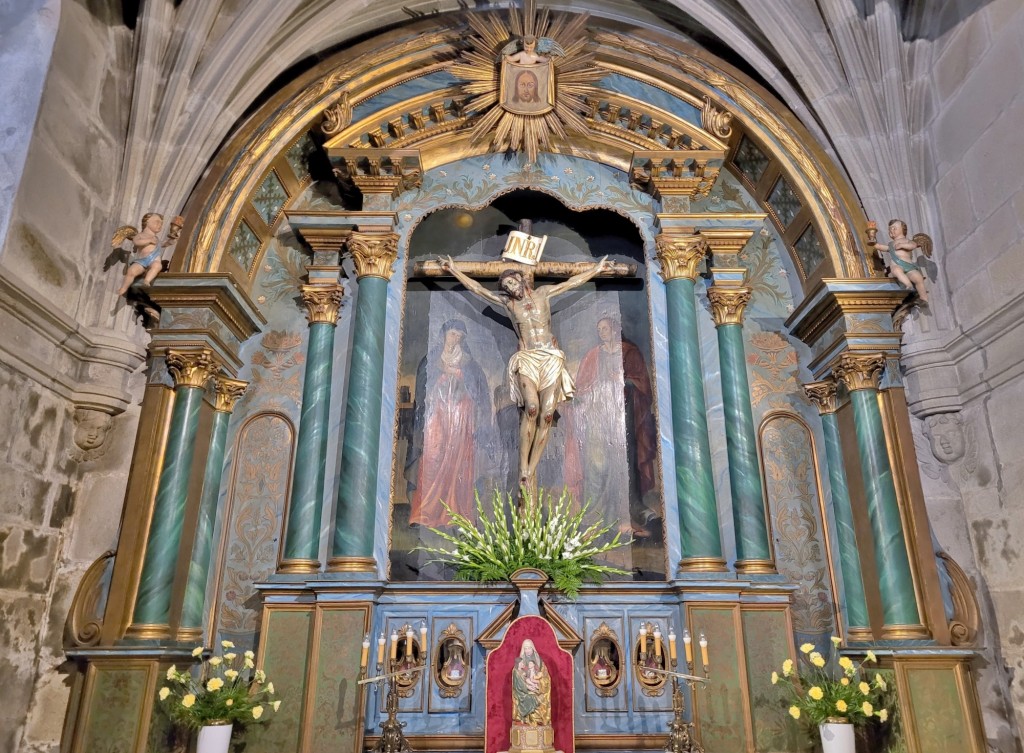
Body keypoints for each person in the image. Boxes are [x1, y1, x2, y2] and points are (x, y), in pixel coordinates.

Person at [439, 255, 614, 497]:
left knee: (548, 414)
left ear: (522, 280)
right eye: (507, 287)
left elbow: (571, 284)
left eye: (513, 282)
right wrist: (455, 270)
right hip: (528, 357)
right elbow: (478, 289)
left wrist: (597, 268)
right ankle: (522, 466)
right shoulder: (510, 305)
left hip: (550, 357)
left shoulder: (543, 294)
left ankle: (530, 470)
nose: (511, 288)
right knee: (532, 407)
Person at [564, 316, 657, 536]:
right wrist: (585, 393)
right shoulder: (592, 355)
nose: (602, 332)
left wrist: (623, 379)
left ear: (615, 328)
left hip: (622, 415)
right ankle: (593, 516)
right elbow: (582, 387)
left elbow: (643, 385)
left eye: (605, 328)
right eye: (599, 329)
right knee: (595, 464)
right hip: (597, 416)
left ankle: (628, 513)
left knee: (622, 462)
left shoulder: (629, 352)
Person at [407, 319, 493, 527]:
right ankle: (426, 510)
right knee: (432, 460)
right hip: (437, 420)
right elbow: (422, 391)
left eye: (459, 336)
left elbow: (479, 392)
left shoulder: (469, 363)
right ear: (444, 334)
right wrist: (442, 379)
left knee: (457, 464)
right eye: (453, 333)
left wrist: (459, 374)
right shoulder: (431, 360)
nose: (455, 338)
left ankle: (457, 511)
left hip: (461, 421)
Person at [115, 213, 180, 296]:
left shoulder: (156, 239)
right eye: (157, 222)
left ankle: (147, 281)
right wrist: (148, 241)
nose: (160, 225)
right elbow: (136, 242)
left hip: (154, 260)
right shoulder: (141, 235)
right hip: (142, 261)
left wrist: (172, 240)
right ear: (147, 222)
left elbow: (164, 244)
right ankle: (123, 288)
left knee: (157, 266)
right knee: (131, 271)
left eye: (161, 223)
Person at [871, 219, 928, 302]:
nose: (891, 230)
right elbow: (880, 247)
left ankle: (924, 298)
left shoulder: (907, 241)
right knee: (896, 270)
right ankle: (909, 285)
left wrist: (902, 245)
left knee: (918, 278)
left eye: (894, 228)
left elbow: (913, 246)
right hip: (897, 264)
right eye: (890, 229)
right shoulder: (891, 244)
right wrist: (872, 240)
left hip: (908, 265)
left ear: (902, 229)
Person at [512, 639, 551, 726]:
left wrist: (539, 683)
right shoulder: (520, 663)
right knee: (528, 697)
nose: (527, 650)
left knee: (540, 698)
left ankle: (538, 720)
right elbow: (517, 680)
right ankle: (526, 719)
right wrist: (526, 685)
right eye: (525, 648)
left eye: (529, 648)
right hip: (524, 690)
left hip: (538, 689)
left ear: (533, 648)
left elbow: (546, 678)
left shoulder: (540, 663)